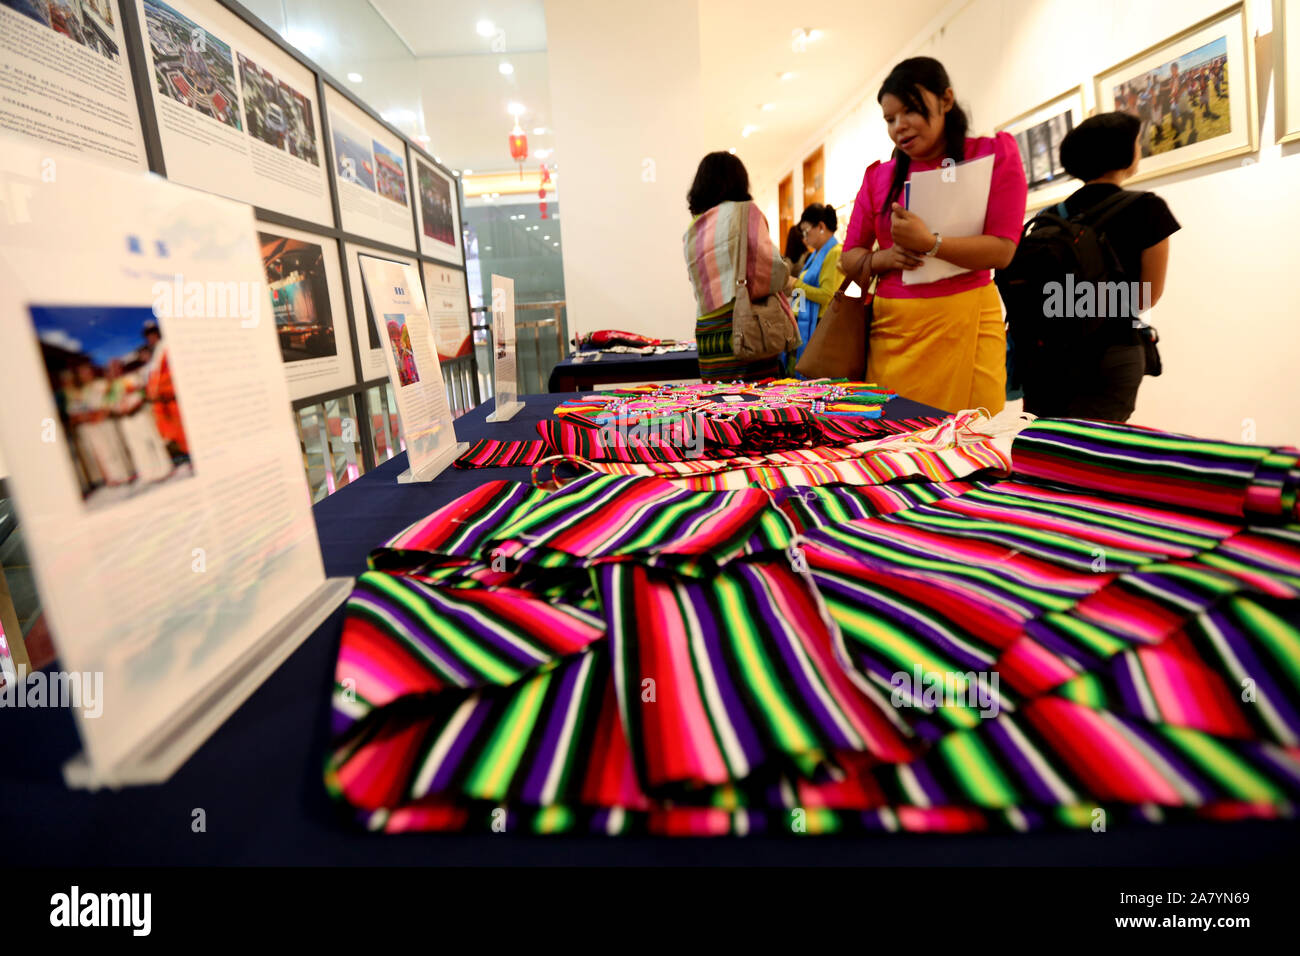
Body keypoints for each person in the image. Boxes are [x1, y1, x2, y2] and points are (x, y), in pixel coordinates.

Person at [840, 57, 1027, 414]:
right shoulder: (879, 177)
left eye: (910, 110)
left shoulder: (992, 155)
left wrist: (931, 243)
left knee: (974, 444)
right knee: (895, 444)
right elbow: (850, 256)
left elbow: (1002, 251)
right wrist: (884, 258)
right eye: (889, 119)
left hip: (968, 321)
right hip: (895, 332)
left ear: (946, 100)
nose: (899, 127)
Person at [1019, 112, 1179, 421]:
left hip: (1048, 357)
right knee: (1093, 452)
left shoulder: (1051, 216)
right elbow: (1147, 296)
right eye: (1136, 142)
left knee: (1048, 447)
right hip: (1113, 350)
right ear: (1122, 152)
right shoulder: (1148, 207)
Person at [683, 151, 794, 382]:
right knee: (754, 407)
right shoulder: (746, 213)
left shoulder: (694, 228)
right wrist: (786, 268)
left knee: (717, 405)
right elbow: (771, 271)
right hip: (745, 327)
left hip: (708, 331)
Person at [787, 203, 844, 363]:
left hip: (820, 325)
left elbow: (827, 295)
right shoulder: (815, 255)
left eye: (806, 231)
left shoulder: (835, 252)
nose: (804, 238)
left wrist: (796, 284)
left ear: (821, 226)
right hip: (808, 320)